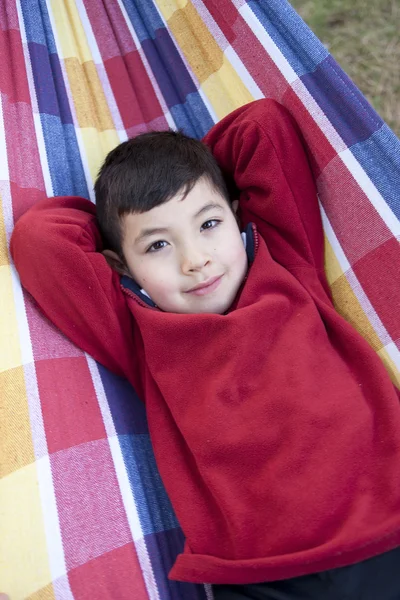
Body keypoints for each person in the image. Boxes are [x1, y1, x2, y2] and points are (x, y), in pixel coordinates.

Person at [10, 99, 400, 599]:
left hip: (385, 522)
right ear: (121, 267)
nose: (195, 260)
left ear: (237, 216)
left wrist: (194, 170)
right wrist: (118, 219)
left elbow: (261, 126)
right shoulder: (136, 332)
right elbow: (40, 239)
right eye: (158, 246)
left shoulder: (285, 262)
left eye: (209, 224)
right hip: (257, 573)